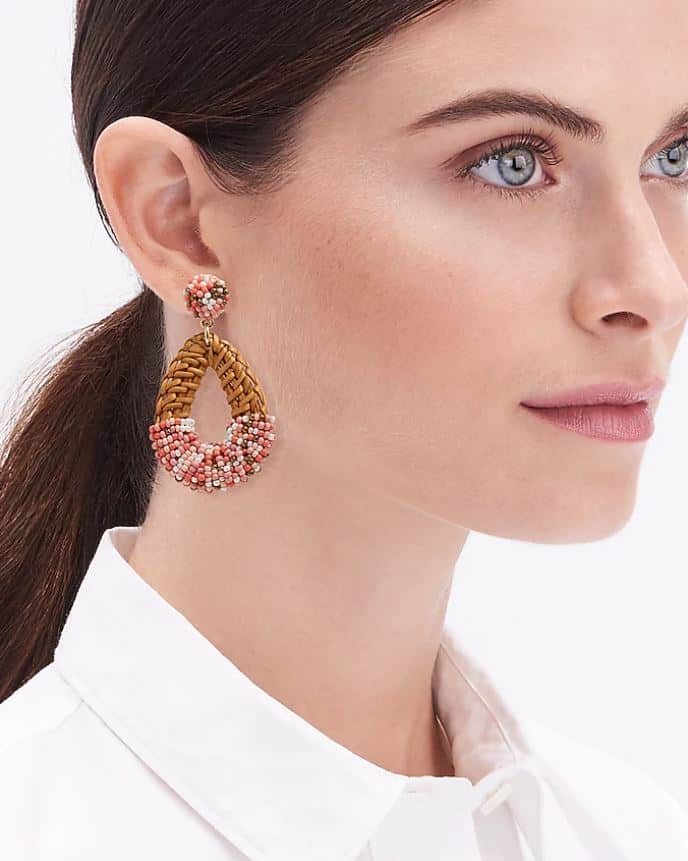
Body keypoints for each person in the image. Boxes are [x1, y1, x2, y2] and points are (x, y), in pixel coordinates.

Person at [1, 0, 687, 857]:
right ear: (176, 219)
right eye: (512, 164)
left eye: (673, 157)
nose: (654, 287)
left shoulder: (633, 832)